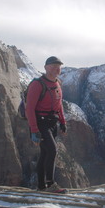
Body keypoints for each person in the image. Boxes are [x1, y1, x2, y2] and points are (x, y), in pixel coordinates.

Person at [25, 56, 67, 193]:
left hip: (52, 122)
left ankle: (41, 187)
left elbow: (59, 104)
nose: (56, 69)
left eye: (58, 67)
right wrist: (34, 129)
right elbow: (29, 109)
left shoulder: (57, 83)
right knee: (52, 150)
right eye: (52, 66)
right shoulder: (37, 84)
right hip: (40, 123)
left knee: (45, 153)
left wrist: (62, 122)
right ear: (45, 68)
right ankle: (50, 184)